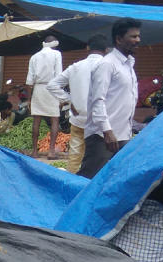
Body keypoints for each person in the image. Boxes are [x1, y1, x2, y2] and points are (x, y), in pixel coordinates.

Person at [78, 19, 141, 179]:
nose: (138, 40)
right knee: (89, 179)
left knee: (116, 181)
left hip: (123, 135)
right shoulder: (107, 64)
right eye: (133, 37)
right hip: (103, 136)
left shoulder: (129, 65)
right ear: (119, 39)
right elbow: (97, 100)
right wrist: (107, 131)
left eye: (138, 36)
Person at [47, 34, 111, 174]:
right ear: (107, 50)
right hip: (100, 123)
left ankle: (71, 183)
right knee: (98, 157)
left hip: (78, 119)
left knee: (75, 156)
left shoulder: (76, 67)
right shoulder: (110, 67)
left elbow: (52, 85)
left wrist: (69, 101)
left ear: (87, 48)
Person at [26, 36, 63, 158]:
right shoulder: (57, 54)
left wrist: (29, 99)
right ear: (54, 45)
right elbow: (59, 75)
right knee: (54, 120)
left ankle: (35, 152)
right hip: (52, 88)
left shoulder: (34, 57)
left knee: (36, 120)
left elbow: (29, 80)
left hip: (38, 88)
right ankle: (51, 151)